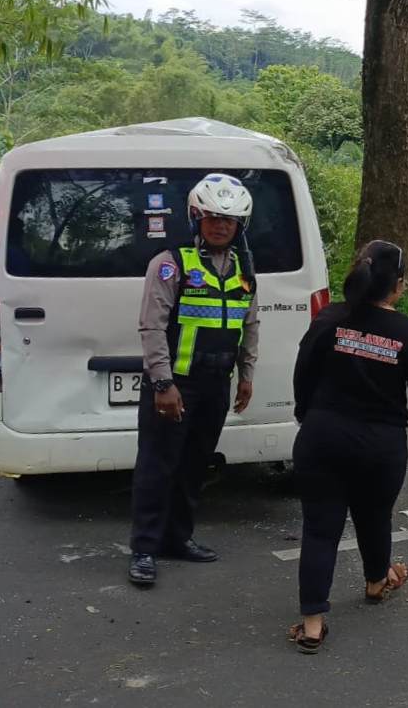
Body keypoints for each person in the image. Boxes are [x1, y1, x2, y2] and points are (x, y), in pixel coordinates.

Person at [288, 240, 408, 654]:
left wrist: (306, 413)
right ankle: (376, 581)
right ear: (398, 286)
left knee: (320, 529)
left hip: (322, 437)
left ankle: (313, 624)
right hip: (380, 447)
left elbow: (304, 370)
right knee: (375, 516)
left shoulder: (329, 318)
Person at [128, 173, 259, 587]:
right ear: (196, 218)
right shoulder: (172, 264)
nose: (221, 226)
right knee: (157, 466)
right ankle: (144, 550)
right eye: (213, 217)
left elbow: (250, 324)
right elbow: (152, 326)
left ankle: (177, 538)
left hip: (216, 383)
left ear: (240, 225)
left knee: (193, 465)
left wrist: (246, 375)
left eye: (229, 220)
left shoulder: (244, 268)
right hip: (175, 385)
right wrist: (163, 384)